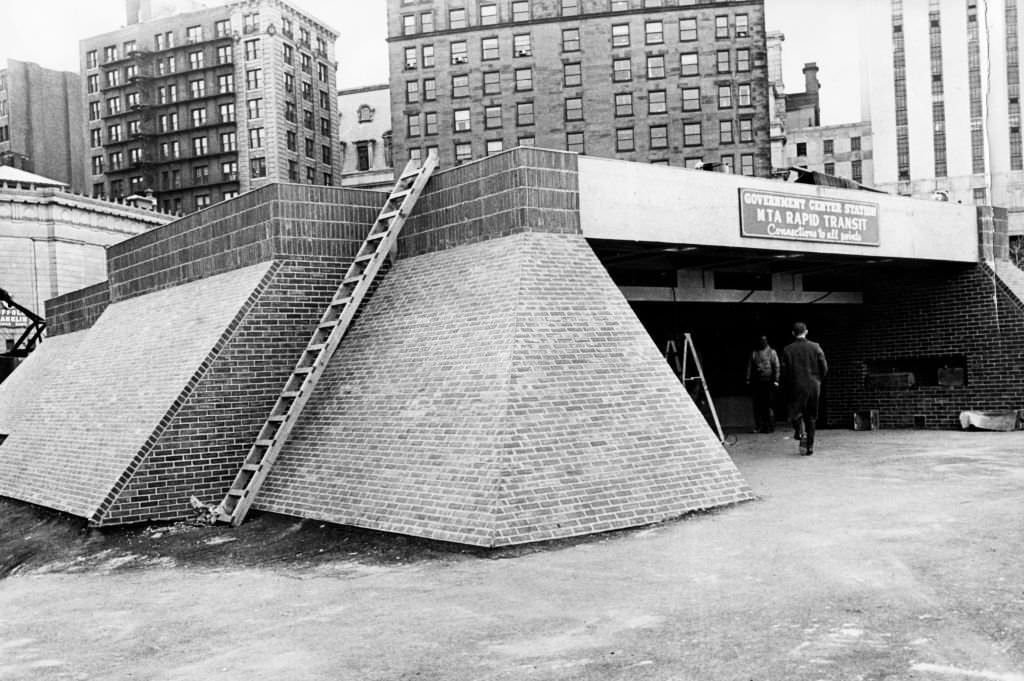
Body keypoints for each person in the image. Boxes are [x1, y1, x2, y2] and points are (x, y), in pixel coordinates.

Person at [781, 322, 828, 456]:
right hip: (813, 386)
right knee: (811, 416)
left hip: (795, 386)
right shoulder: (816, 347)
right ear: (806, 331)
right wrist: (818, 380)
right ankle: (810, 446)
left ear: (793, 333)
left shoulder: (787, 350)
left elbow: (784, 372)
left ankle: (801, 433)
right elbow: (824, 367)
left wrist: (788, 384)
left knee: (795, 412)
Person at [745, 335, 779, 433]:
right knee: (758, 405)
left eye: (764, 340)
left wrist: (776, 380)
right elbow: (750, 367)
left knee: (768, 405)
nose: (762, 342)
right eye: (761, 340)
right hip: (757, 382)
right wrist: (748, 378)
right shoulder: (754, 353)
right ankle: (759, 425)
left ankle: (769, 426)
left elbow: (776, 367)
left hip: (769, 381)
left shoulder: (772, 352)